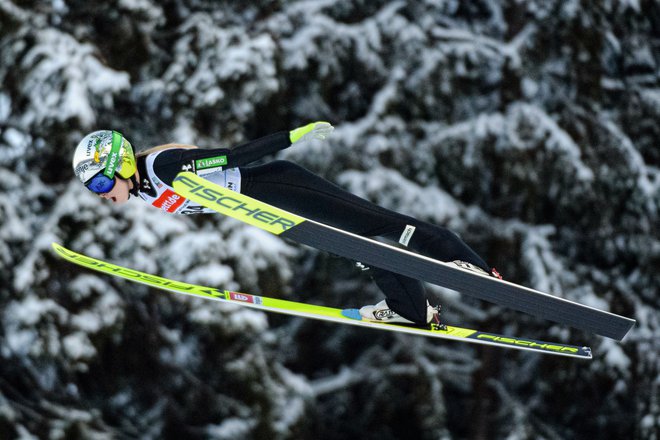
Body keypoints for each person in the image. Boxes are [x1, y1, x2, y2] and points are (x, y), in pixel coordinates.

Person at [72, 122, 501, 325]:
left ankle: (469, 264)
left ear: (122, 163)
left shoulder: (161, 167)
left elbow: (229, 156)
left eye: (104, 180)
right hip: (267, 202)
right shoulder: (142, 187)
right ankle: (413, 312)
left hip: (279, 186)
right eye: (95, 188)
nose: (104, 193)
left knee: (380, 224)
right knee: (363, 248)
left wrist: (290, 137)